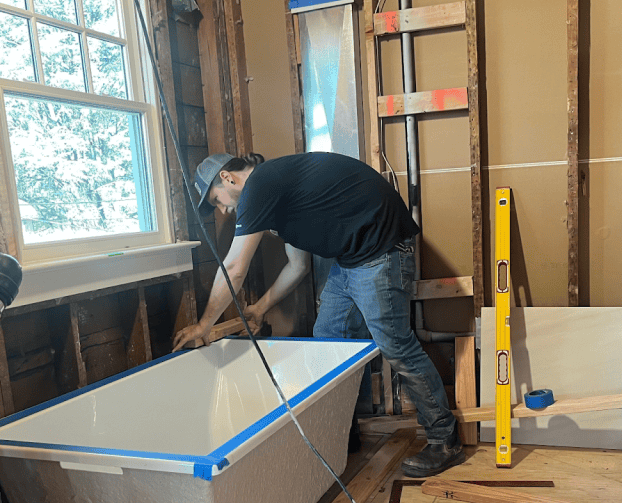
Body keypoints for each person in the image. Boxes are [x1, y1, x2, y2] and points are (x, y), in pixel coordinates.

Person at [172, 151, 464, 478]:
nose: (224, 210)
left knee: (396, 346)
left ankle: (444, 440)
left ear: (228, 178)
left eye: (217, 201)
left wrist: (203, 325)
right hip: (351, 259)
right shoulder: (275, 197)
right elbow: (297, 266)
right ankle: (342, 432)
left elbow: (236, 267)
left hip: (382, 251)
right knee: (328, 339)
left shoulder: (260, 184)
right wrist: (260, 308)